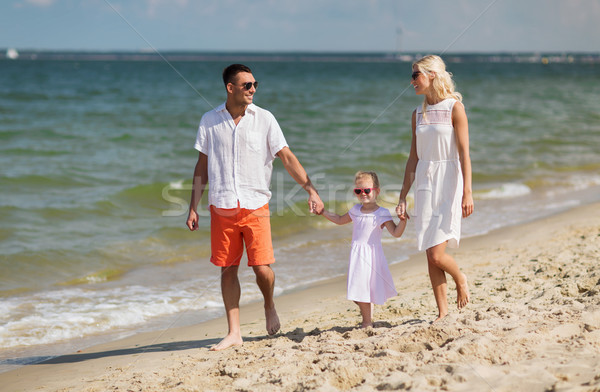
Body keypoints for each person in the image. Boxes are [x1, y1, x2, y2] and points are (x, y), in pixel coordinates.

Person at [186, 64, 324, 351]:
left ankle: (269, 303)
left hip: (255, 204)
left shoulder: (265, 119)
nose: (252, 89)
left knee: (262, 268)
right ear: (230, 88)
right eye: (247, 85)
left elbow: (286, 157)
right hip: (222, 205)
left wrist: (310, 189)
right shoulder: (209, 121)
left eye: (254, 84)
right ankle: (234, 332)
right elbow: (202, 167)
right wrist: (193, 207)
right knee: (228, 269)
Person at [396, 55, 473, 322]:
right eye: (412, 75)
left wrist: (468, 192)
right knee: (430, 252)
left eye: (416, 75)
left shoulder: (455, 108)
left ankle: (460, 276)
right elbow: (413, 158)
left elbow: (464, 154)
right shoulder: (417, 114)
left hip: (449, 181)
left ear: (432, 76)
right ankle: (442, 312)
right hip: (425, 184)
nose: (412, 81)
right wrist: (403, 195)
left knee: (436, 253)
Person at [321, 171, 406, 328]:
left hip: (372, 255)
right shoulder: (355, 210)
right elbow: (340, 220)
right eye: (358, 191)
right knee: (356, 290)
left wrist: (402, 221)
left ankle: (367, 322)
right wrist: (322, 212)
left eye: (367, 190)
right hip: (357, 254)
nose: (363, 194)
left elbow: (396, 233)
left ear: (377, 191)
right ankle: (368, 314)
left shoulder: (382, 213)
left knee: (361, 290)